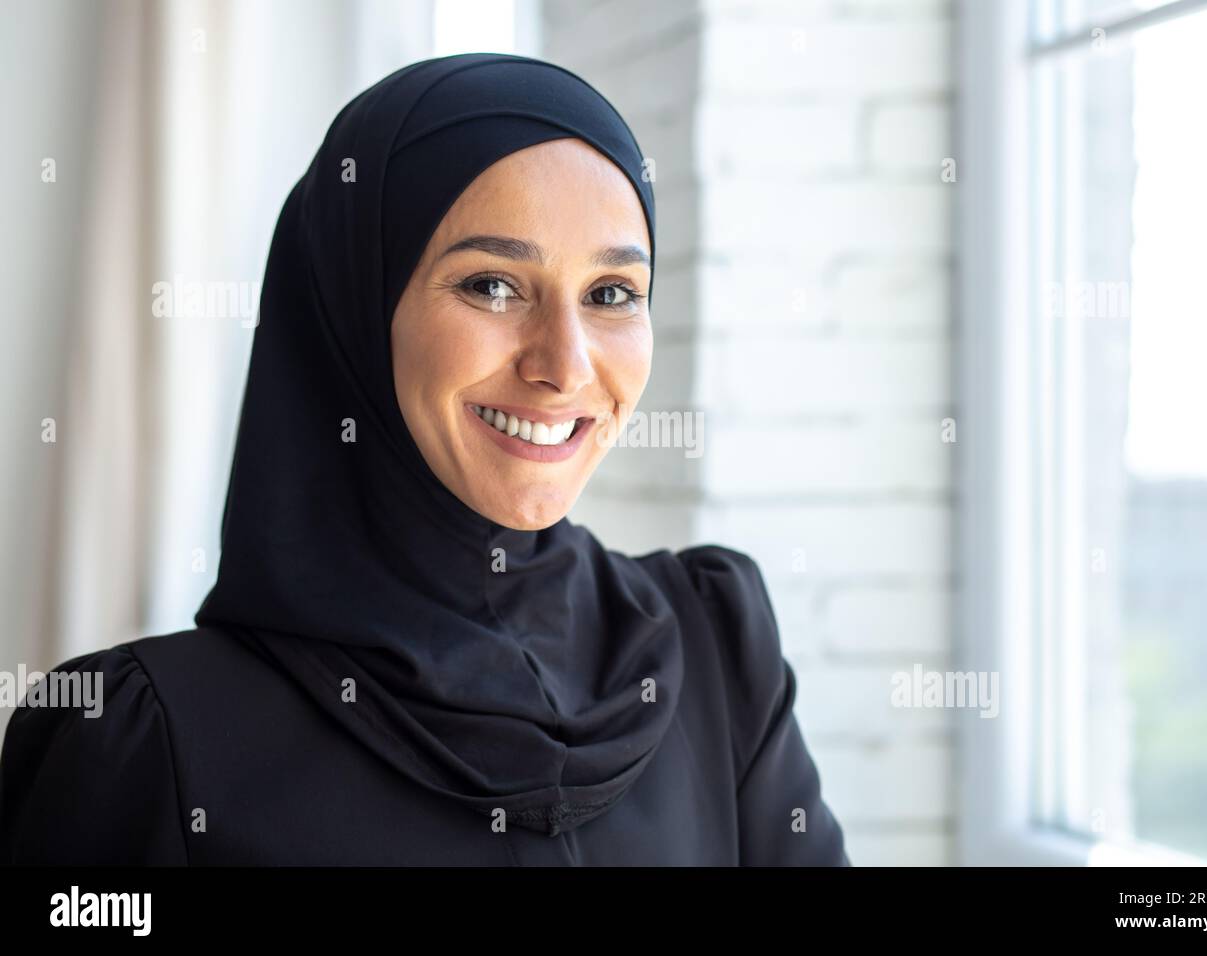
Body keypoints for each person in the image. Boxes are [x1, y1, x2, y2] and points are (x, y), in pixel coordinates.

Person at [0, 53, 849, 866]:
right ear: (356, 309)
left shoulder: (715, 649)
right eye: (492, 285)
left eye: (611, 294)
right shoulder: (151, 741)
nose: (565, 365)